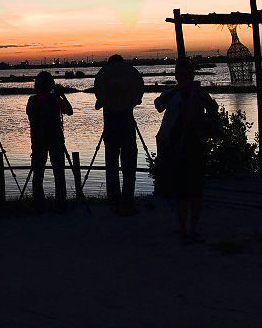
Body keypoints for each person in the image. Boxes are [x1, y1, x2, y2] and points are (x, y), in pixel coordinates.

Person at [155, 58, 219, 242]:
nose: (183, 77)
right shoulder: (173, 93)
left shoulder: (198, 93)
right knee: (183, 190)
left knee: (194, 189)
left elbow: (213, 109)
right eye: (180, 74)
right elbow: (159, 105)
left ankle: (190, 228)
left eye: (185, 74)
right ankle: (185, 228)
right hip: (176, 145)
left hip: (193, 144)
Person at [93, 54, 144, 216]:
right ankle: (127, 202)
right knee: (129, 166)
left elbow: (98, 103)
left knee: (111, 165)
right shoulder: (131, 74)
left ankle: (114, 202)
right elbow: (138, 99)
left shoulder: (103, 75)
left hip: (110, 126)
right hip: (127, 123)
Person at [26, 71, 73, 214]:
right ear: (51, 84)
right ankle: (60, 205)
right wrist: (61, 95)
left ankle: (39, 206)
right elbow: (69, 111)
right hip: (56, 140)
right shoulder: (55, 100)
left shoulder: (32, 100)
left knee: (38, 174)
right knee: (59, 173)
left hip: (38, 140)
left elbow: (30, 115)